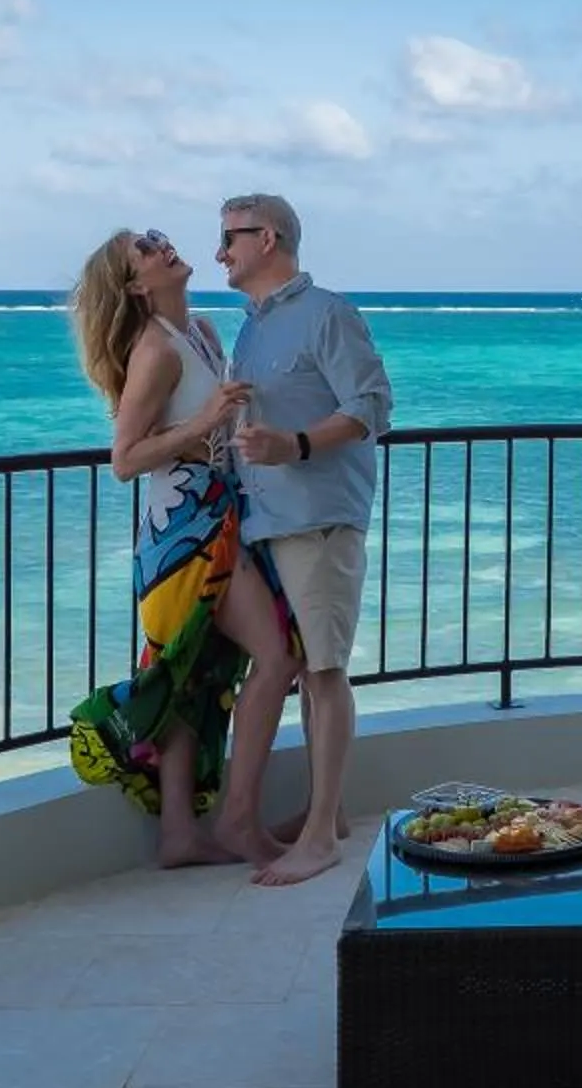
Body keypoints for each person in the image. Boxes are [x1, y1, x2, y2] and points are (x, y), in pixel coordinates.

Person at [64, 226, 303, 869]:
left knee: (194, 677)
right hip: (183, 534)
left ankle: (178, 835)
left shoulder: (199, 329)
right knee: (275, 660)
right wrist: (201, 426)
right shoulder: (154, 351)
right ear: (137, 285)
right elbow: (124, 459)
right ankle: (238, 822)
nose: (159, 245)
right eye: (144, 249)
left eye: (154, 236)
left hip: (218, 514)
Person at [217, 192, 390, 886]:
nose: (220, 251)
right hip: (264, 521)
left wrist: (294, 444)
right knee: (302, 664)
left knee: (323, 672)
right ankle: (331, 812)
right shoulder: (251, 330)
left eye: (231, 236)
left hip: (318, 518)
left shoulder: (329, 314)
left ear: (271, 238)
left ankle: (319, 836)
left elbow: (373, 406)